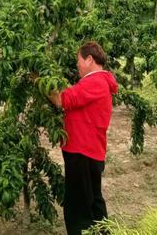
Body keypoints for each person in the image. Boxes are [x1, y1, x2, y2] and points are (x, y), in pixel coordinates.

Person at [49, 41, 118, 235]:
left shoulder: (94, 82)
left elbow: (61, 99)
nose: (77, 65)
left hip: (82, 152)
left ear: (89, 59)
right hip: (89, 151)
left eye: (78, 60)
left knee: (78, 208)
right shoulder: (98, 82)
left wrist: (38, 79)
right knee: (93, 202)